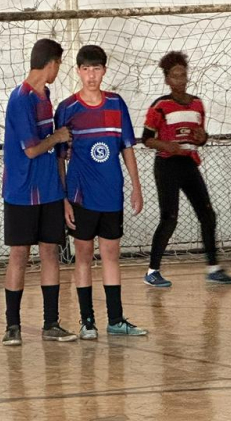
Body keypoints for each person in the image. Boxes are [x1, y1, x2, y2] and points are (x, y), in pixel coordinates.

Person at [55, 45, 147, 339]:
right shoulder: (67, 108)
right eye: (86, 69)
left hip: (112, 194)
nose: (91, 75)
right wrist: (64, 198)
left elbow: (127, 147)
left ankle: (116, 320)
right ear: (78, 72)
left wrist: (136, 186)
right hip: (81, 196)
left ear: (105, 70)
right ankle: (87, 321)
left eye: (96, 69)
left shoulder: (116, 104)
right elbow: (59, 158)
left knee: (111, 254)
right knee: (83, 256)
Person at [1, 38, 75, 346]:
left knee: (50, 252)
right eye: (59, 65)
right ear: (52, 63)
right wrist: (58, 136)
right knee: (19, 254)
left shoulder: (46, 96)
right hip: (21, 191)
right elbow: (31, 150)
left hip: (50, 190)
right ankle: (12, 326)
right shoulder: (21, 99)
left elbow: (53, 150)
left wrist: (63, 186)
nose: (58, 70)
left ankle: (51, 323)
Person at [143, 51, 231, 287]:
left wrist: (202, 137)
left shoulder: (197, 104)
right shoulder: (160, 106)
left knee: (207, 214)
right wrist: (167, 145)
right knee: (169, 218)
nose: (180, 80)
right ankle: (152, 271)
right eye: (175, 76)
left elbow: (201, 137)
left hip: (188, 164)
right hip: (167, 165)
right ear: (167, 79)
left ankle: (213, 268)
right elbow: (146, 138)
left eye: (183, 75)